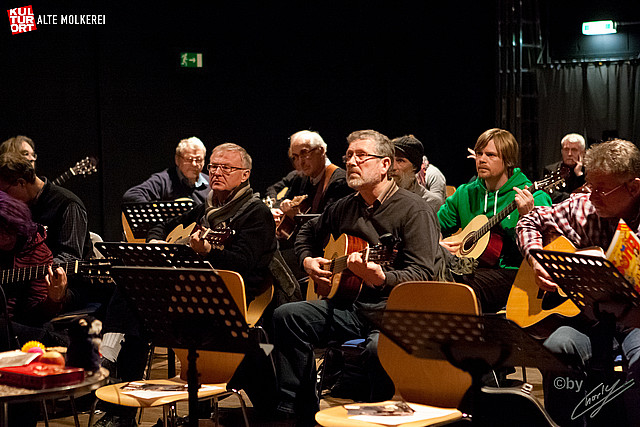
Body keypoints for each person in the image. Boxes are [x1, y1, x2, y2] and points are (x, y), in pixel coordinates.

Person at [271, 129, 446, 423]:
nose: (352, 162)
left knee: (378, 350)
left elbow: (423, 274)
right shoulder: (345, 207)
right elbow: (306, 233)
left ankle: (379, 419)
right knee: (287, 316)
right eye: (349, 156)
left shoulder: (414, 210)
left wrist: (382, 278)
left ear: (385, 165)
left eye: (361, 156)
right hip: (352, 306)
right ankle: (300, 413)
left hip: (395, 312)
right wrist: (307, 262)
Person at [516, 139, 640, 426]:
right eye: (590, 186)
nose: (591, 196)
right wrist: (536, 260)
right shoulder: (584, 206)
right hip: (589, 319)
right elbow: (530, 220)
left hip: (634, 320)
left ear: (633, 187)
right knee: (557, 347)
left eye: (602, 189)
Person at [438, 128, 552, 313]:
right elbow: (432, 226)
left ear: (508, 161)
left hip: (515, 274)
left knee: (463, 286)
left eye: (490, 155)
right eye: (479, 154)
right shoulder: (465, 193)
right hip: (470, 268)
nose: (481, 159)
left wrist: (527, 217)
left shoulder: (532, 195)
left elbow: (548, 246)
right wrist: (438, 245)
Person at [0, 152, 94, 312]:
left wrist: (29, 268)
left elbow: (70, 257)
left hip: (69, 285)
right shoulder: (22, 204)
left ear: (21, 183)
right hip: (25, 278)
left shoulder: (68, 204)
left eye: (4, 191)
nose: (4, 197)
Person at [272, 131, 353, 284]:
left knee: (274, 263)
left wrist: (293, 217)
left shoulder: (339, 181)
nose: (300, 162)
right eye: (295, 157)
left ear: (321, 151)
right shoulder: (303, 178)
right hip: (301, 244)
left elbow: (326, 226)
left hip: (322, 252)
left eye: (304, 154)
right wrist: (280, 211)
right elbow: (284, 199)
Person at [0, 190, 69, 348]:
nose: (4, 237)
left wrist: (54, 299)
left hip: (17, 325)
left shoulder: (37, 253)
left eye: (9, 231)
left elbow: (35, 315)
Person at [122, 136, 209, 204]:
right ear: (177, 160)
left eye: (198, 160)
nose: (194, 164)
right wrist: (156, 213)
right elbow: (132, 194)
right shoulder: (163, 180)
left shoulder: (211, 184)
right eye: (189, 159)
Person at [390, 135, 444, 211]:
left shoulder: (430, 202)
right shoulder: (376, 197)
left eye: (400, 161)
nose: (392, 167)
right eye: (390, 160)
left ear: (414, 167)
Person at [542, 133, 586, 203]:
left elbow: (587, 195)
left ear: (582, 152)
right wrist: (574, 197)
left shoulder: (589, 171)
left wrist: (579, 174)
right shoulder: (551, 170)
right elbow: (551, 195)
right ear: (562, 151)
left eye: (574, 150)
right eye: (566, 149)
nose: (569, 154)